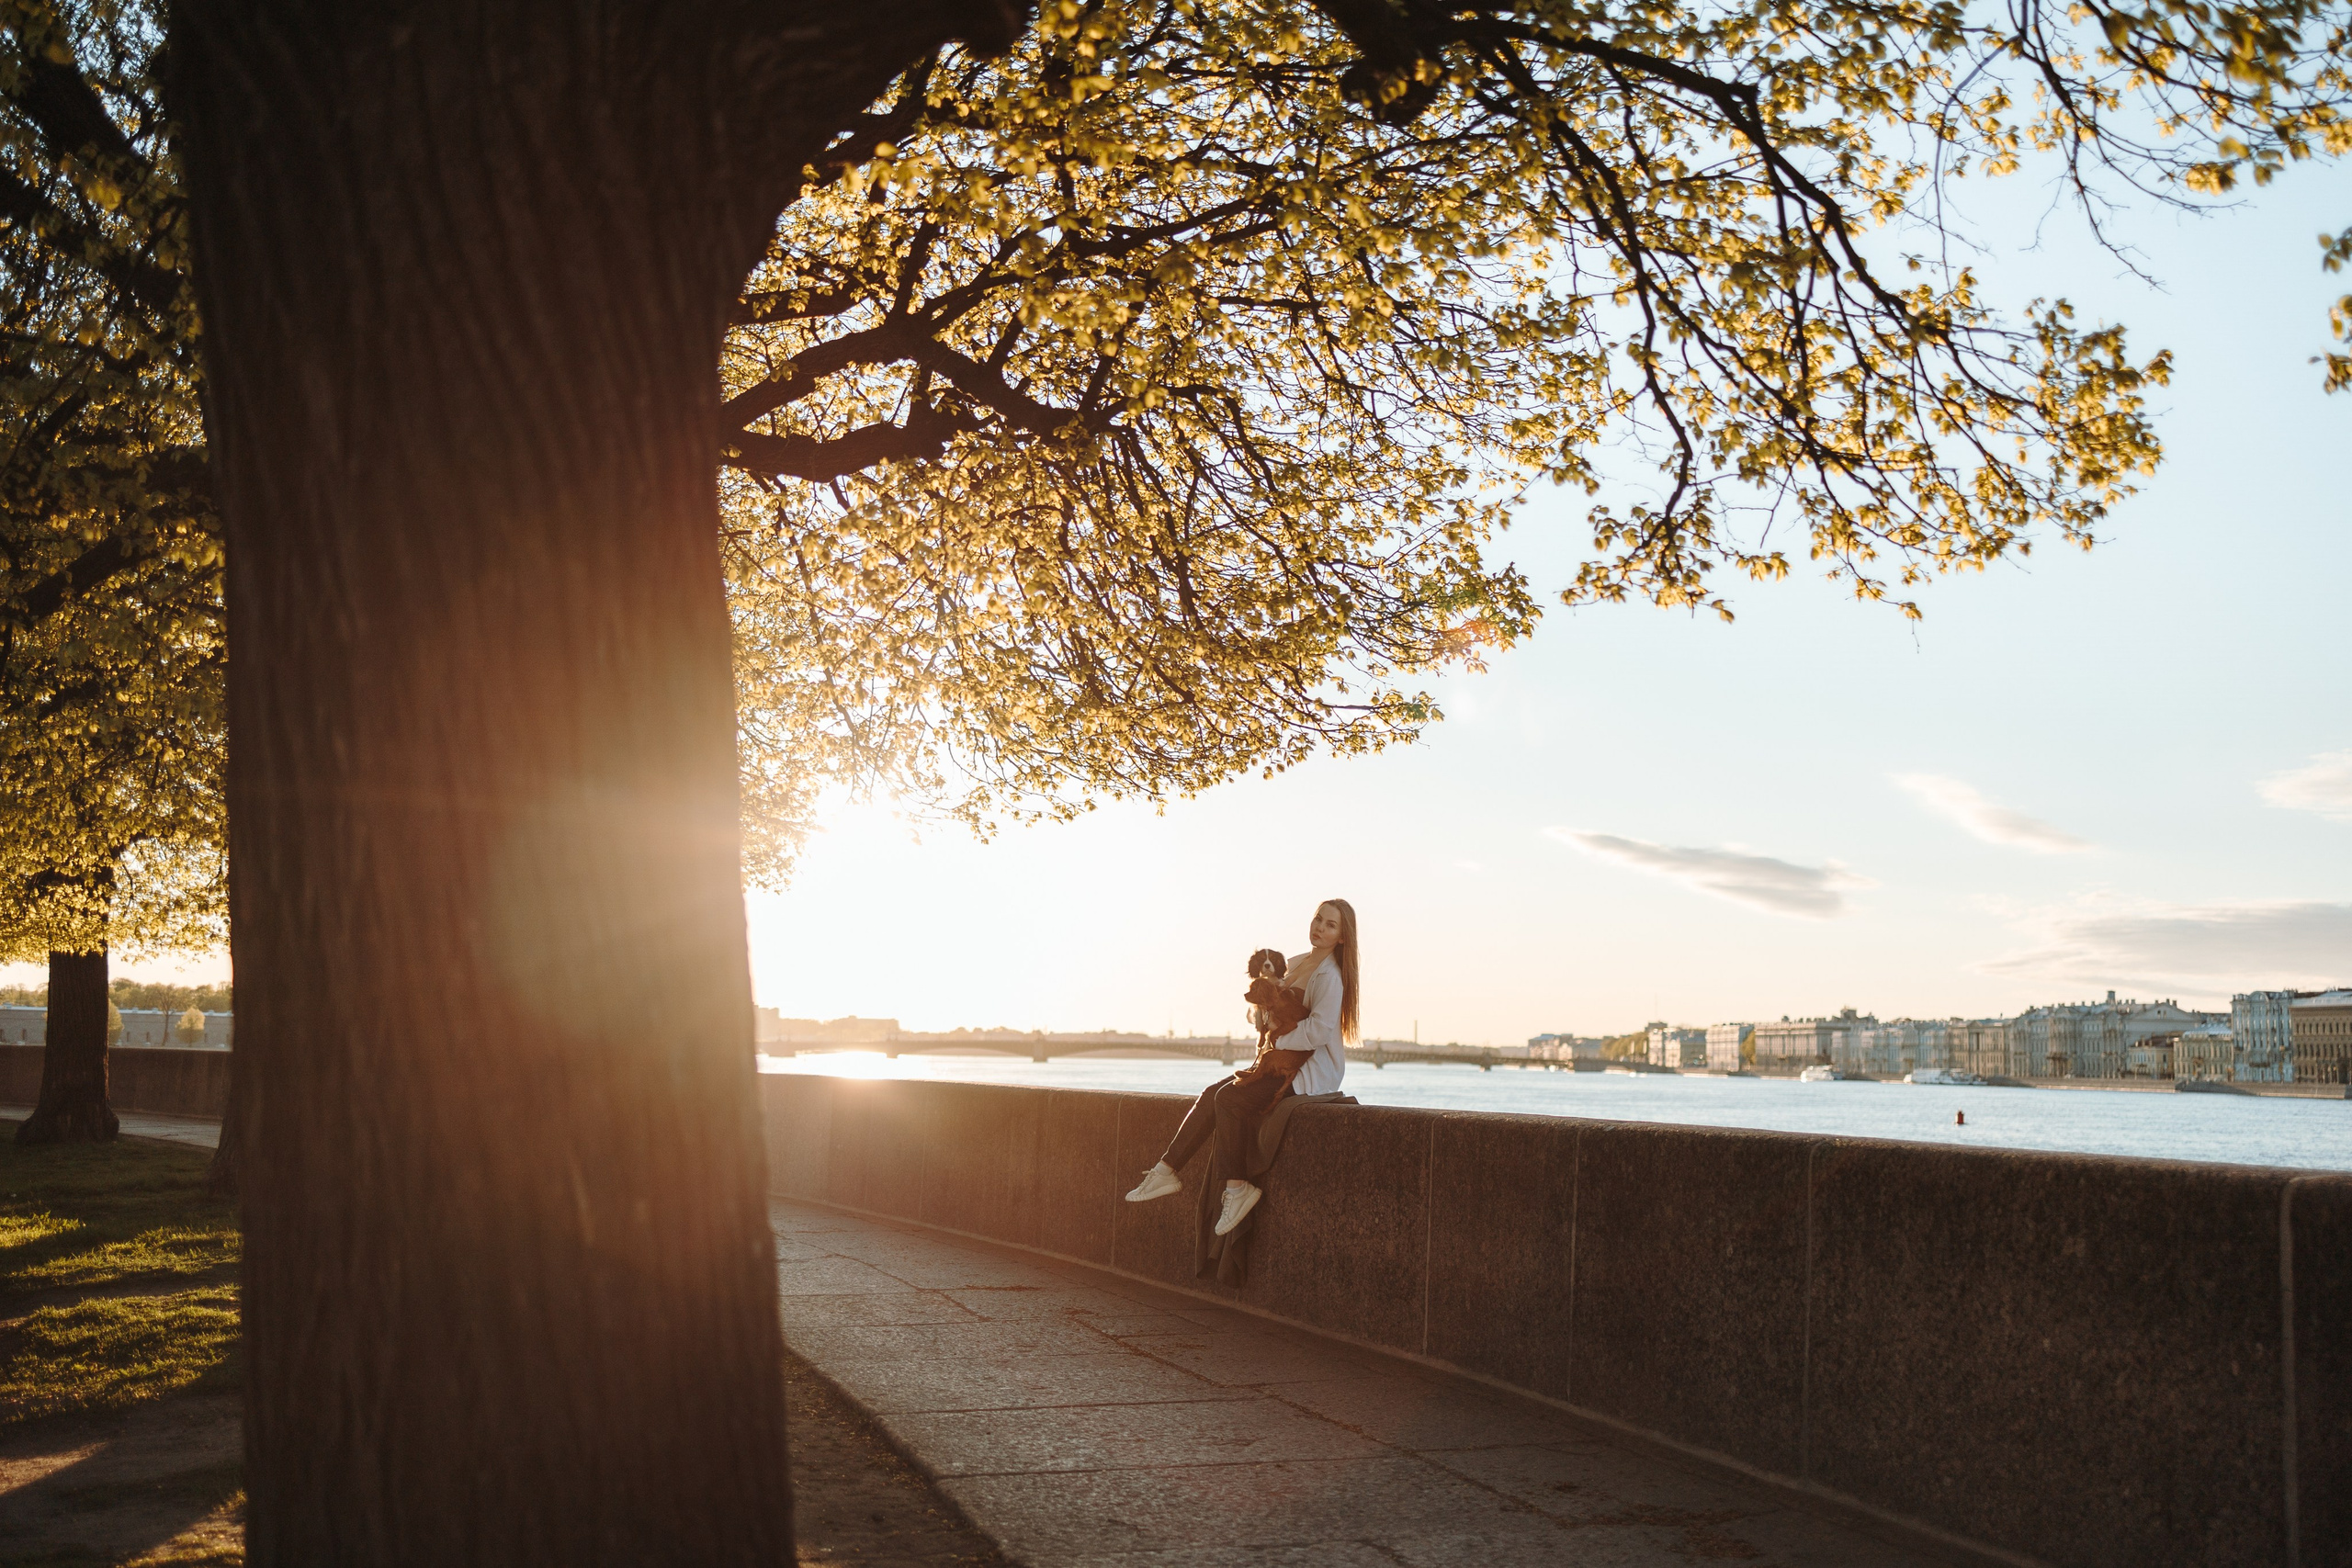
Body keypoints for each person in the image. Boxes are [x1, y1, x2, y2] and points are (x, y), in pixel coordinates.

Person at [1125, 898, 1360, 1236]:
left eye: (1330, 925)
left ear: (1341, 937)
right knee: (1212, 1093)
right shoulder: (1293, 964)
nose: (1319, 928)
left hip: (1307, 1072)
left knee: (1230, 1100)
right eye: (1318, 919)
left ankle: (1238, 1190)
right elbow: (1259, 1014)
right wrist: (1262, 1015)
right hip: (1274, 1061)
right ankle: (1165, 1171)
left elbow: (1319, 1031)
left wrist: (1278, 1041)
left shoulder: (1330, 977)